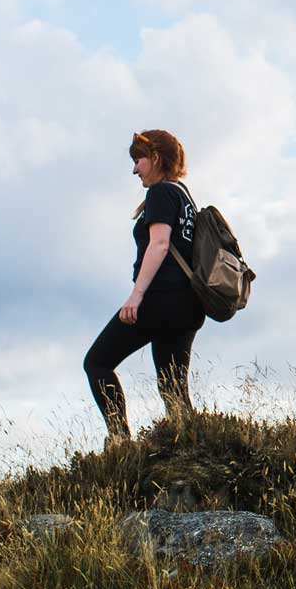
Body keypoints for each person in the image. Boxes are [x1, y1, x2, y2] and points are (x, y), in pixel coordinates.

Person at [84, 130, 203, 446]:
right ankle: (193, 452)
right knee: (174, 390)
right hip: (189, 305)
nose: (135, 169)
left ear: (156, 158)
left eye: (138, 160)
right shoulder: (184, 196)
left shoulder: (161, 193)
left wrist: (136, 296)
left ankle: (121, 442)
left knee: (97, 362)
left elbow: (160, 244)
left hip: (161, 300)